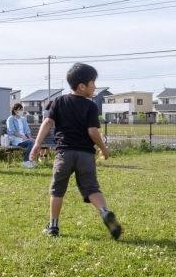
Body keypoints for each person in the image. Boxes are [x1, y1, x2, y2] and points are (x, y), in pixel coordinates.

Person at [29, 63, 122, 240]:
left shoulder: (59, 101)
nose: (95, 87)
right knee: (92, 188)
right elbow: (92, 132)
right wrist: (103, 148)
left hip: (64, 153)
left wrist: (37, 144)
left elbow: (47, 122)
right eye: (93, 83)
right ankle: (104, 212)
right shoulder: (91, 106)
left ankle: (53, 226)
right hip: (85, 155)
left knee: (57, 189)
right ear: (82, 86)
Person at [7, 103, 36, 168]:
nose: (21, 111)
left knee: (34, 142)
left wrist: (30, 137)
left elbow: (27, 129)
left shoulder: (23, 119)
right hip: (15, 138)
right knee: (30, 143)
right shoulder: (10, 119)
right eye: (20, 109)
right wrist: (22, 136)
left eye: (22, 109)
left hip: (24, 138)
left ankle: (30, 160)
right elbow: (13, 131)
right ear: (15, 111)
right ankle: (26, 161)